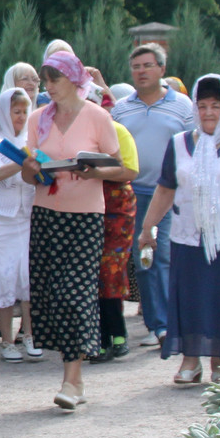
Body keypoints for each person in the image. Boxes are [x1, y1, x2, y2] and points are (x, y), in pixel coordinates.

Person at [139, 74, 220, 384]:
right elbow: (166, 188)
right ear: (195, 108)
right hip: (189, 235)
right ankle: (190, 361)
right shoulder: (180, 143)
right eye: (203, 106)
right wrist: (147, 228)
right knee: (191, 298)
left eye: (216, 106)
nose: (209, 112)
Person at [23, 51, 122, 411]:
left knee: (74, 294)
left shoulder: (97, 116)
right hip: (47, 214)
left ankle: (72, 378)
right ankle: (73, 376)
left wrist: (94, 171)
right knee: (52, 295)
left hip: (85, 216)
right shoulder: (38, 119)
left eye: (55, 79)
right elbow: (28, 174)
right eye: (46, 80)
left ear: (74, 79)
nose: (49, 86)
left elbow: (120, 167)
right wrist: (32, 168)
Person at [111, 43, 194, 350]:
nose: (141, 71)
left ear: (162, 69)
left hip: (170, 194)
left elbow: (194, 147)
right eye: (136, 67)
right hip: (133, 194)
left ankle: (170, 323)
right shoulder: (122, 109)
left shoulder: (183, 106)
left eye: (147, 65)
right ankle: (156, 324)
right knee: (142, 258)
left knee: (163, 255)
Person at [0, 86, 36, 361]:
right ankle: (7, 340)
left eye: (24, 111)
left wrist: (36, 163)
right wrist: (25, 160)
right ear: (3, 112)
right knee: (2, 275)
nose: (21, 117)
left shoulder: (32, 138)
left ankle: (30, 335)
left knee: (27, 275)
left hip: (26, 215)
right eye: (15, 111)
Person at [90, 117, 141, 361]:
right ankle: (100, 338)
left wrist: (97, 173)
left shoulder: (119, 131)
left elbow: (130, 170)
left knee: (111, 270)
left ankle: (117, 334)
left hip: (117, 207)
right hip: (86, 204)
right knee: (92, 273)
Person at [0, 62, 39, 133]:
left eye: (35, 80)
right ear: (11, 82)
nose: (31, 83)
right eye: (25, 79)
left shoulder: (42, 115)